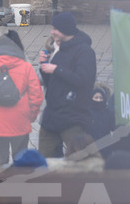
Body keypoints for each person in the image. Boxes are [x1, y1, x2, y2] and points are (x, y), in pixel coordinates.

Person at [0, 33, 43, 163]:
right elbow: (36, 96)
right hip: (20, 122)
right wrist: (31, 116)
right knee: (21, 163)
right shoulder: (26, 67)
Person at [38, 12, 97, 158]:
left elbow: (82, 80)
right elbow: (50, 82)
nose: (52, 32)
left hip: (73, 117)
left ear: (65, 30)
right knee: (44, 160)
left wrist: (56, 69)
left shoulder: (85, 51)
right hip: (52, 116)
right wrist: (44, 66)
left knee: (79, 160)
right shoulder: (59, 49)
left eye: (55, 29)